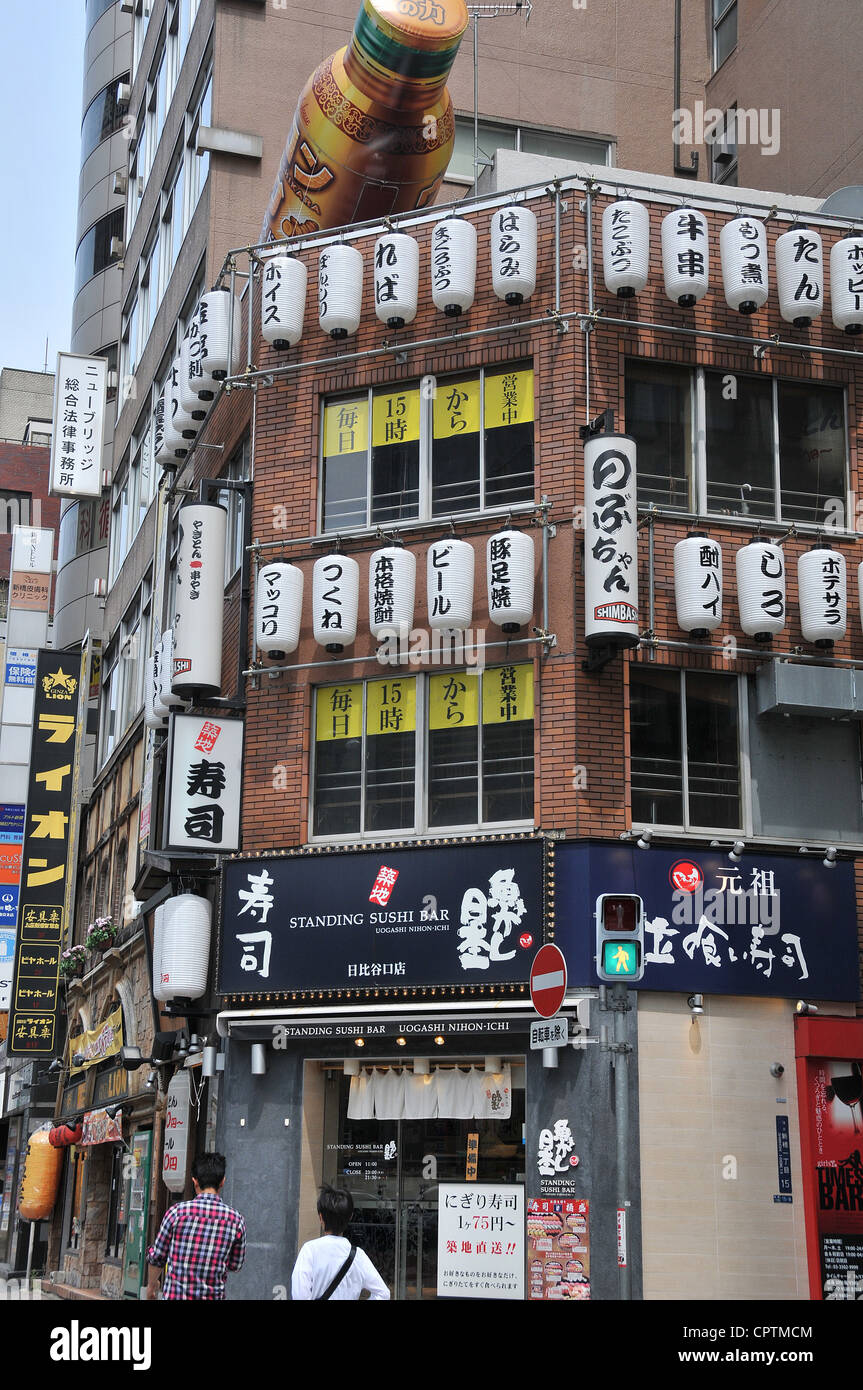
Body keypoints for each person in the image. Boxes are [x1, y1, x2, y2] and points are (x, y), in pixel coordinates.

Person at [146, 1151, 246, 1300]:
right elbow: (235, 1265)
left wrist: (151, 1286)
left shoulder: (176, 1213)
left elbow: (157, 1257)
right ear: (222, 1181)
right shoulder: (236, 1221)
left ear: (195, 1181)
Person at [291, 1186, 390, 1300]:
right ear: (350, 1217)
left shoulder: (309, 1250)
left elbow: (299, 1295)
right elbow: (383, 1294)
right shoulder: (358, 1255)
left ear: (321, 1217)